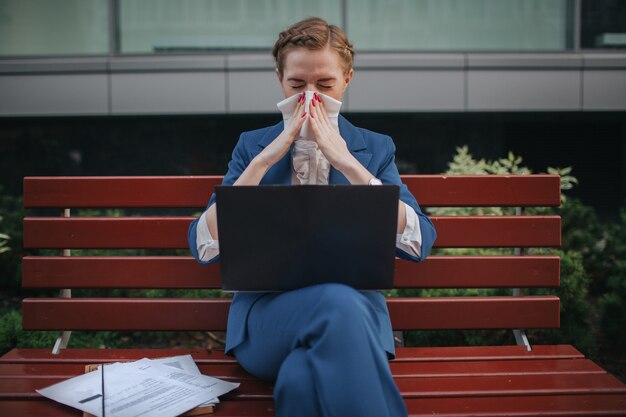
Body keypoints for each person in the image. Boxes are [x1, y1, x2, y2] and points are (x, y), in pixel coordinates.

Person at [188, 17, 436, 417]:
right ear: (279, 79)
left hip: (357, 326)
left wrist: (347, 162)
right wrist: (265, 160)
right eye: (296, 85)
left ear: (348, 79)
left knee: (301, 383)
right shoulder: (251, 146)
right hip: (267, 322)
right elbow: (204, 245)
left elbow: (418, 242)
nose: (310, 98)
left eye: (325, 85)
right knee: (336, 303)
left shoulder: (375, 147)